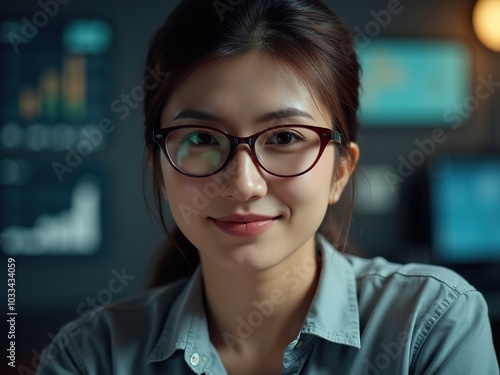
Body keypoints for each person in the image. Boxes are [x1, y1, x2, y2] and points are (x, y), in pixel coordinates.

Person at [37, 0, 499, 374]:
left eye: (284, 138)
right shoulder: (88, 357)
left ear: (341, 170)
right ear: (159, 168)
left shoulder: (432, 323)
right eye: (201, 138)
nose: (243, 183)